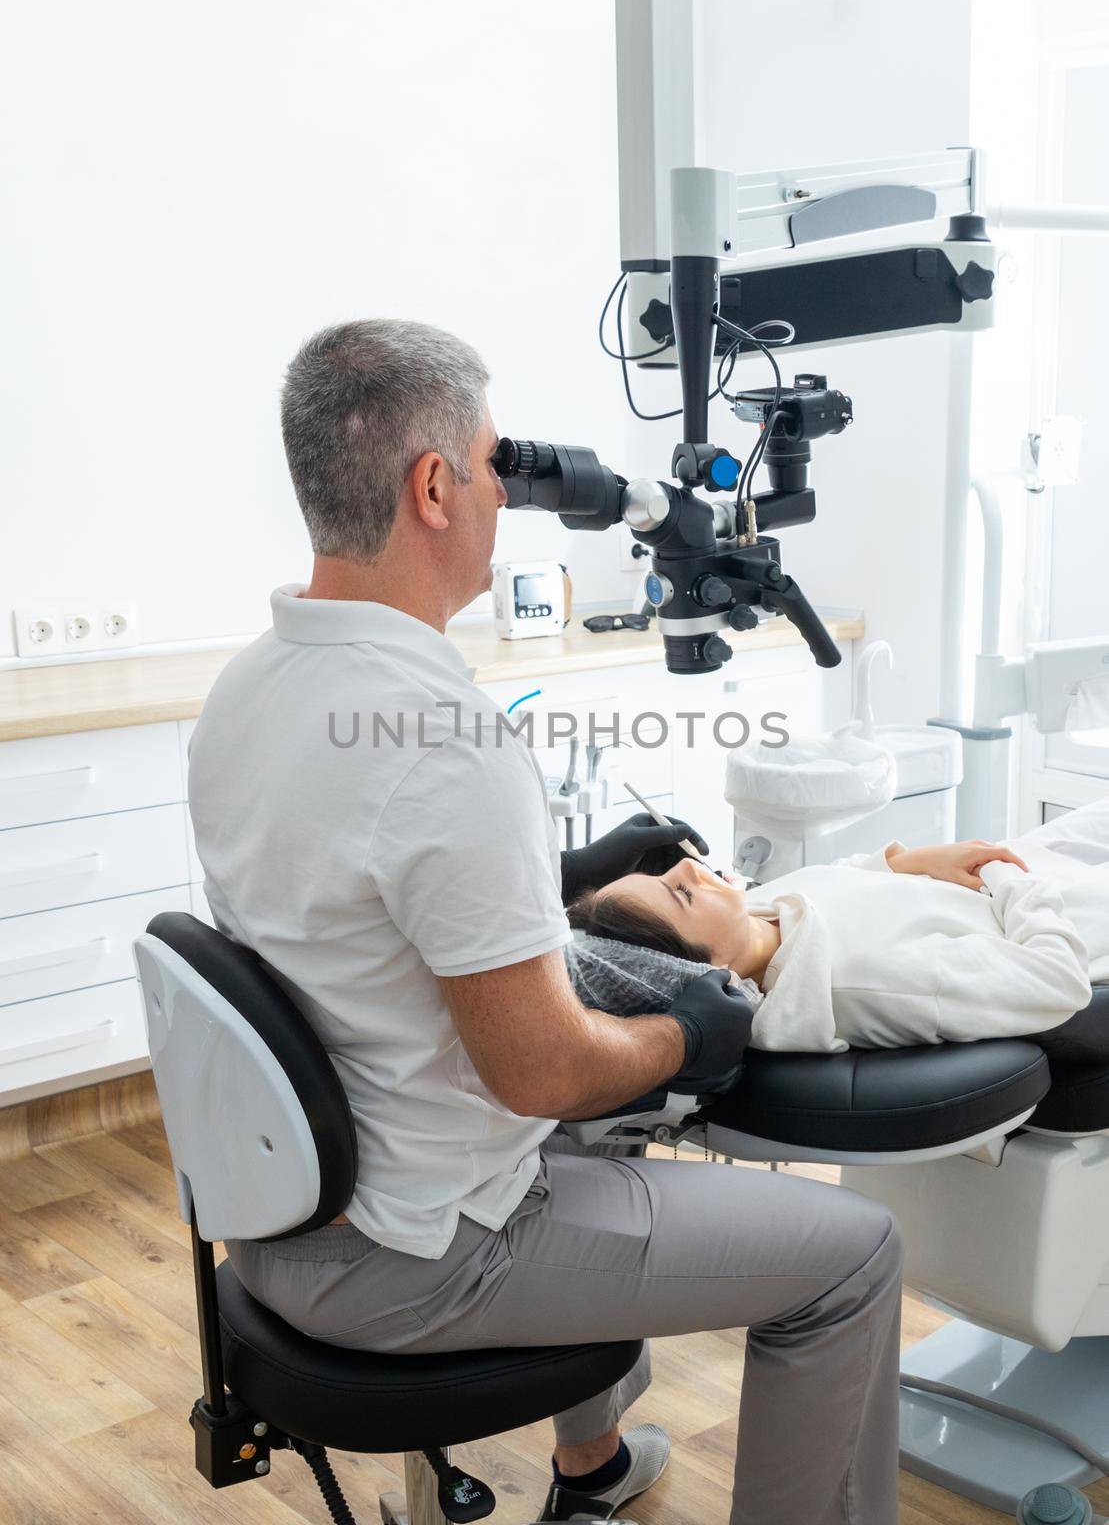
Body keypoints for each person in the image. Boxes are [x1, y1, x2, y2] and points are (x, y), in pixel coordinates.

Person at [188, 319, 904, 1525]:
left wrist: (567, 875)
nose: (497, 493)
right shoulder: (444, 738)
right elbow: (541, 1072)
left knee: (612, 1135)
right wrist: (693, 1027)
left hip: (283, 1223)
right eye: (484, 463)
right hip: (422, 1255)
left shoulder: (247, 692)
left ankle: (592, 1468)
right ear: (432, 487)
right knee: (853, 1252)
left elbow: (375, 917)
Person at [567, 831, 1103, 1052]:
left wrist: (911, 862)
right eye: (681, 893)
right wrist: (1007, 878)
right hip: (1079, 912)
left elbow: (836, 884)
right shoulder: (862, 983)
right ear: (709, 972)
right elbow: (1056, 982)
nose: (687, 863)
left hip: (1035, 872)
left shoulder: (763, 916)